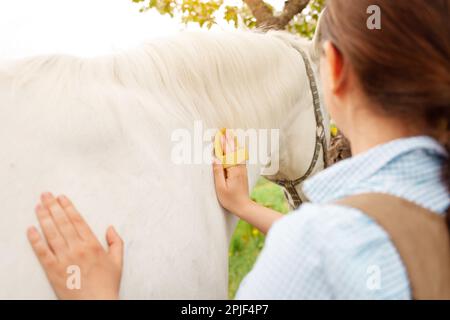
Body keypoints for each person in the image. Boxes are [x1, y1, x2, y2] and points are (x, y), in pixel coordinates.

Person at [26, 0, 449, 299]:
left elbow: (332, 254)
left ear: (334, 69)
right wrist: (245, 206)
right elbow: (355, 253)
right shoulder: (416, 211)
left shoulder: (314, 249)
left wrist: (98, 296)